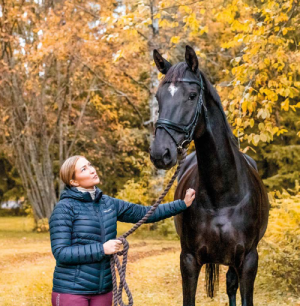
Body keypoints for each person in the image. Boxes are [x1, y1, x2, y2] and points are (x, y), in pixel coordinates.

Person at [49, 155, 195, 306]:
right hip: (71, 291)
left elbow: (145, 213)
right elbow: (61, 252)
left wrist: (182, 204)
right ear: (73, 181)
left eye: (90, 165)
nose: (92, 170)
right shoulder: (64, 208)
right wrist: (102, 249)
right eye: (84, 169)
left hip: (103, 290)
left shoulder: (108, 203)